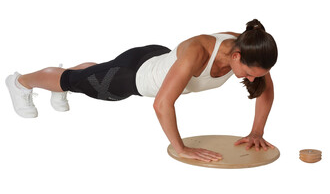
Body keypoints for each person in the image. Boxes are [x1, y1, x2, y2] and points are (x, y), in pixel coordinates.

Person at [6, 19, 278, 162]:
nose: (253, 79)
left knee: (91, 75)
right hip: (131, 77)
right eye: (251, 73)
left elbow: (265, 88)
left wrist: (257, 132)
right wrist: (180, 148)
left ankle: (76, 78)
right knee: (72, 81)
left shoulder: (248, 46)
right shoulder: (200, 52)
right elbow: (162, 104)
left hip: (157, 59)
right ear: (237, 56)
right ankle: (20, 82)